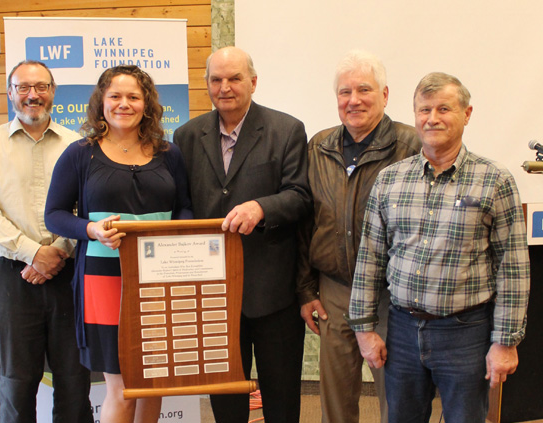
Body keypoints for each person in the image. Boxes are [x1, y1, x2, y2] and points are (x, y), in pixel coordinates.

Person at [348, 72, 530, 423]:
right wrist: (364, 328)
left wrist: (505, 341)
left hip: (466, 332)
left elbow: (513, 267)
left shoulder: (495, 180)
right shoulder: (391, 180)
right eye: (424, 109)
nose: (432, 118)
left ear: (467, 113)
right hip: (401, 329)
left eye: (444, 108)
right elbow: (370, 258)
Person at [44, 65, 192, 423]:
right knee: (123, 389)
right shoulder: (81, 154)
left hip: (160, 280)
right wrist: (91, 229)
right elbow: (55, 214)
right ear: (101, 102)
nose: (123, 104)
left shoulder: (168, 153)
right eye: (115, 96)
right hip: (104, 281)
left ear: (147, 104)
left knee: (153, 385)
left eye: (133, 97)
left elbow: (185, 207)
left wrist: (177, 236)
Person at [174, 46, 310, 423]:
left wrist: (261, 207)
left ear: (253, 81)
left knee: (281, 397)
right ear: (207, 85)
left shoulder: (286, 130)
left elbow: (300, 196)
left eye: (234, 78)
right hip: (214, 292)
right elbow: (182, 203)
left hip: (273, 291)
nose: (225, 87)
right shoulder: (186, 136)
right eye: (216, 80)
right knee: (225, 398)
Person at [296, 50, 420, 423]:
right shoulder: (319, 146)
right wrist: (306, 290)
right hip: (333, 289)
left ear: (385, 94)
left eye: (363, 89)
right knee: (334, 397)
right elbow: (306, 221)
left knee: (395, 395)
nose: (353, 100)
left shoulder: (411, 146)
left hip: (391, 293)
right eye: (344, 92)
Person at [0, 60, 93, 423]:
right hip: (11, 278)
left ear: (53, 92)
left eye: (40, 87)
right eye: (23, 88)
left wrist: (58, 251)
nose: (32, 95)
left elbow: (86, 207)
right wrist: (34, 254)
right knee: (15, 383)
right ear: (10, 93)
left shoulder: (78, 145)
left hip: (68, 274)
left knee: (74, 381)